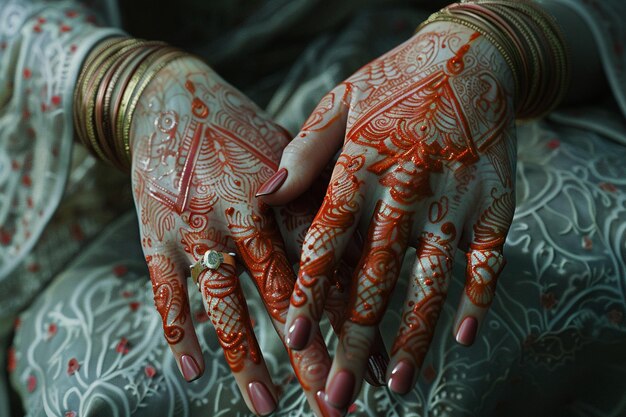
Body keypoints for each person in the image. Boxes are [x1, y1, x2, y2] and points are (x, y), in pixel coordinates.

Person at [0, 1, 624, 417]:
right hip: (130, 168)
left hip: (418, 76)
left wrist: (498, 39)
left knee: (578, 259)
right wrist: (129, 85)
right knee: (110, 385)